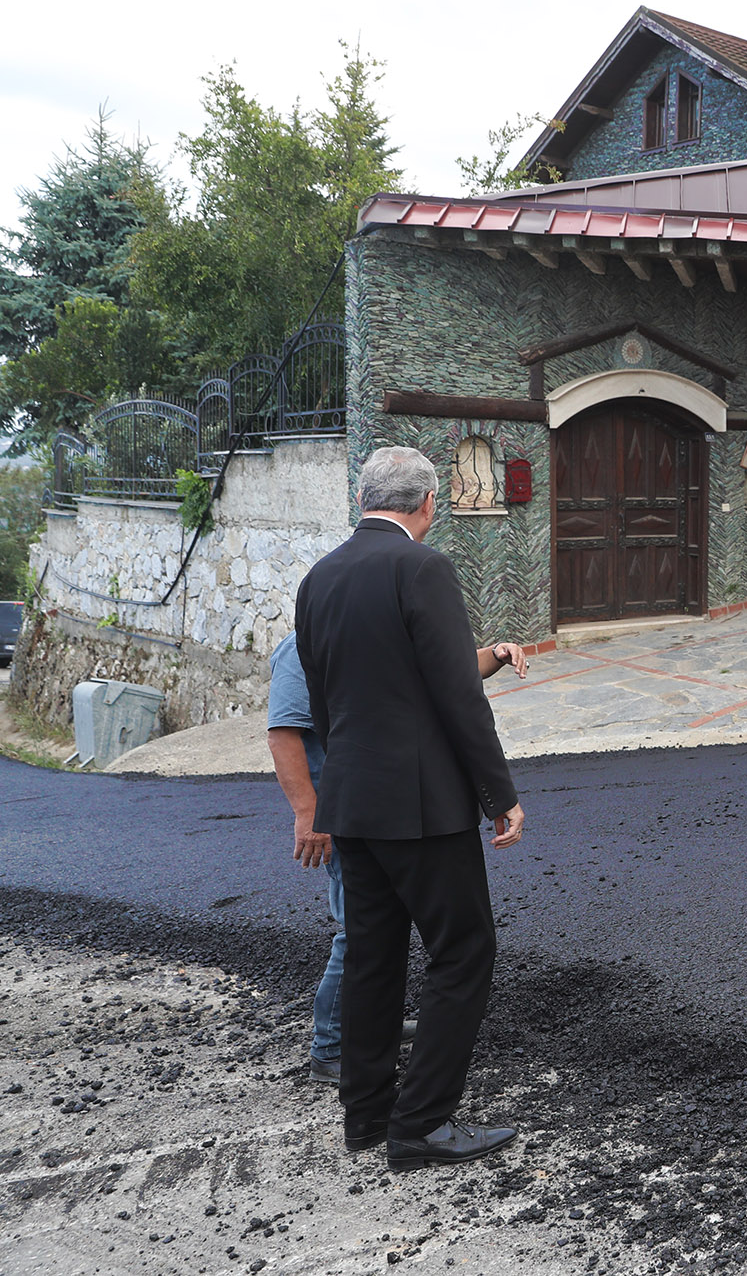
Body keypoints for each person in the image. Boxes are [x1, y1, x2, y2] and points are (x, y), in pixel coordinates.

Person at [294, 445, 529, 1171]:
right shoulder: (422, 568)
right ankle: (421, 1124)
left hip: (351, 800)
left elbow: (322, 700)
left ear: (363, 498)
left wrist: (341, 781)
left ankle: (366, 1116)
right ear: (428, 503)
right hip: (422, 806)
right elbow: (458, 691)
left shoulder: (318, 578)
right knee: (464, 950)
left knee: (373, 958)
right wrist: (500, 794)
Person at [267, 630, 530, 1087]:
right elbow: (284, 733)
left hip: (379, 804)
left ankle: (375, 1026)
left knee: (383, 923)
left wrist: (495, 655)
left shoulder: (381, 627)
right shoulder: (304, 643)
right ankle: (331, 1047)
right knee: (359, 928)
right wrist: (309, 814)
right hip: (342, 809)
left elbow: (443, 670)